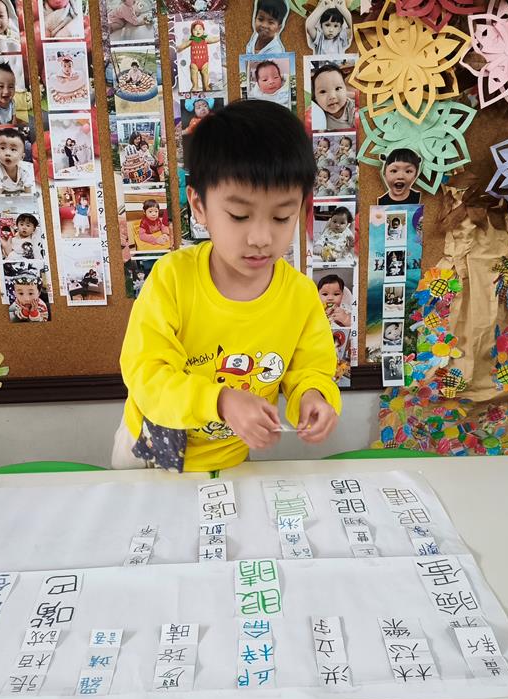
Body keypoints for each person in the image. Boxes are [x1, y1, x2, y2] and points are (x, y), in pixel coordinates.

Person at [115, 99, 341, 472]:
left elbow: (309, 368)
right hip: (148, 452)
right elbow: (147, 374)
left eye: (282, 217)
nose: (261, 238)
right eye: (239, 215)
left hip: (231, 457)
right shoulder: (172, 279)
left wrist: (313, 396)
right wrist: (220, 401)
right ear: (199, 206)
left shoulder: (299, 295)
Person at [176, 20, 220, 92]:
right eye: (195, 30)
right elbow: (184, 44)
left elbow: (213, 39)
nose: (198, 31)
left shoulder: (205, 39)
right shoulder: (191, 40)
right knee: (193, 72)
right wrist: (179, 47)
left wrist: (219, 37)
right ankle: (195, 86)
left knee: (205, 73)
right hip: (194, 62)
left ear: (203, 31)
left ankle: (206, 86)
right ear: (192, 32)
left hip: (204, 62)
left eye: (200, 29)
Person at [0, 127, 34, 194]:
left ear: (22, 157)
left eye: (13, 149)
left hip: (19, 189)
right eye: (2, 148)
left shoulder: (26, 169)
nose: (7, 153)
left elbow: (29, 193)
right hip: (3, 190)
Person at [311, 62, 354, 130]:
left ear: (345, 90)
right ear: (315, 98)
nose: (332, 96)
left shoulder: (352, 108)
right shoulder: (316, 112)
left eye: (338, 88)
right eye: (323, 91)